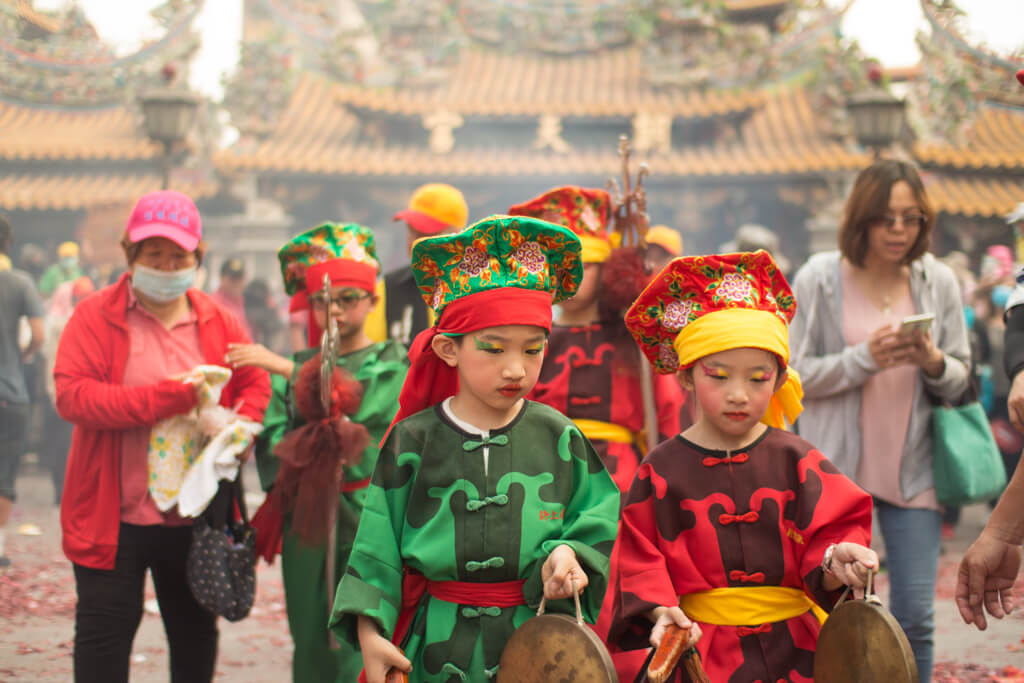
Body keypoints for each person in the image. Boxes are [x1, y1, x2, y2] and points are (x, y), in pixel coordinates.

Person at [330, 215, 620, 683]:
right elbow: (375, 549)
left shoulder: (559, 436)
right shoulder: (413, 441)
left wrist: (569, 555)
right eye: (493, 348)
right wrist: (369, 633)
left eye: (532, 349)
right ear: (449, 350)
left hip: (534, 647)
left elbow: (597, 514)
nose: (515, 369)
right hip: (433, 647)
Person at [602, 251, 876, 682]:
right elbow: (638, 558)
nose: (738, 394)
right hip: (699, 653)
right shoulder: (661, 469)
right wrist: (659, 608)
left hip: (799, 651)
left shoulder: (797, 458)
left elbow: (835, 534)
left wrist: (837, 558)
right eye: (719, 375)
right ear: (687, 376)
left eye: (757, 378)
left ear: (780, 380)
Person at [52, 190, 271, 683]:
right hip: (114, 515)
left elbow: (256, 381)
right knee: (103, 641)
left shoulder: (218, 319)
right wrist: (162, 400)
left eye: (179, 256)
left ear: (198, 257)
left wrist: (241, 427)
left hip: (195, 518)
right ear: (130, 253)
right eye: (154, 254)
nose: (167, 265)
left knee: (194, 639)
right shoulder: (94, 316)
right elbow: (73, 397)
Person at [790, 159, 971, 683]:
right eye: (886, 218)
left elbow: (961, 378)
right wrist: (863, 358)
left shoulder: (937, 280)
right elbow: (791, 376)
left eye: (911, 218)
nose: (898, 230)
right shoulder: (820, 278)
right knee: (834, 614)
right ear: (861, 218)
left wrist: (933, 360)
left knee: (914, 617)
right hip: (836, 479)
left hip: (914, 473)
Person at [227, 223, 408, 682]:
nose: (337, 310)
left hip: (368, 518)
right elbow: (272, 436)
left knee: (367, 632)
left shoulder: (389, 363)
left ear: (371, 301)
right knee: (309, 634)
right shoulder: (298, 365)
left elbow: (359, 409)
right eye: (324, 301)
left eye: (349, 298)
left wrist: (287, 369)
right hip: (306, 519)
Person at [509, 186, 683, 493]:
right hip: (546, 476)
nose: (569, 277)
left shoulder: (633, 338)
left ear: (606, 269)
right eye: (557, 267)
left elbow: (668, 411)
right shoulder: (533, 340)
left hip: (623, 479)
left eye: (583, 266)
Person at [0, 215, 45, 567]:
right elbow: (39, 335)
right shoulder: (19, 283)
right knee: (5, 471)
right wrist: (22, 356)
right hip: (9, 392)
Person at [385, 183, 468, 346]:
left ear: (458, 235)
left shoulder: (476, 289)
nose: (417, 244)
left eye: (427, 235)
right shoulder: (388, 287)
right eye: (412, 232)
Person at [40, 275, 95, 503]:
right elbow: (51, 361)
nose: (83, 300)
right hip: (61, 394)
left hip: (85, 395)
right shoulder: (56, 323)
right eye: (79, 296)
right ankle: (60, 492)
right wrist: (54, 394)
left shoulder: (90, 319)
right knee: (62, 447)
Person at [210, 257, 253, 339]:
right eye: (232, 279)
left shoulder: (249, 302)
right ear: (221, 278)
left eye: (239, 278)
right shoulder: (212, 304)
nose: (236, 283)